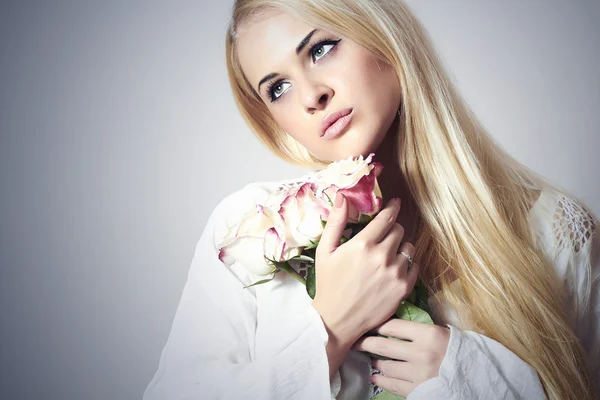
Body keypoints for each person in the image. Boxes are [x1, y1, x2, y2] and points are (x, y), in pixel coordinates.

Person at [143, 1, 599, 399]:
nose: (311, 96)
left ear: (383, 33)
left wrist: (468, 377)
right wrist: (327, 332)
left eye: (320, 49)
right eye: (277, 88)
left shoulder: (554, 230)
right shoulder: (249, 232)